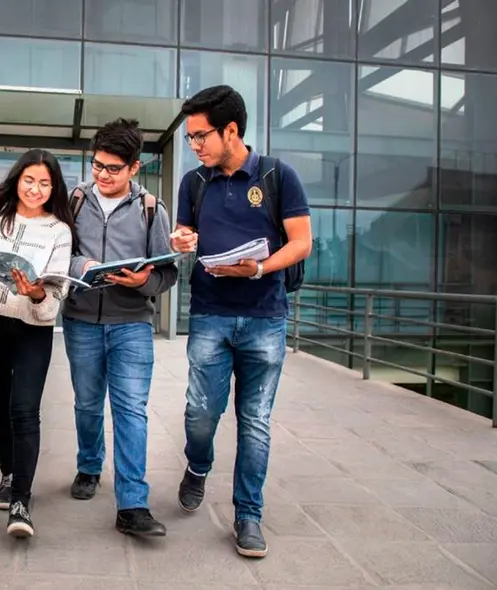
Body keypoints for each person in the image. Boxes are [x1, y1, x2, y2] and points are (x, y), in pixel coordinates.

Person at [169, 85, 312, 558]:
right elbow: (186, 234)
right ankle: (198, 463)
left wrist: (259, 267)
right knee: (200, 414)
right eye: (190, 139)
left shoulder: (276, 175)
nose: (195, 146)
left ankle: (248, 515)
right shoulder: (193, 182)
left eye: (200, 136)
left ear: (231, 130)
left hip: (264, 318)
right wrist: (182, 239)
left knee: (255, 421)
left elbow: (301, 243)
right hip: (209, 313)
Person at [62, 118, 179, 537]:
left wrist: (142, 281)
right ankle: (89, 466)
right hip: (81, 321)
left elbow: (168, 272)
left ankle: (132, 504)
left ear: (135, 167)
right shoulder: (74, 200)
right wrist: (83, 266)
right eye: (98, 166)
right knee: (87, 404)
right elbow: (60, 254)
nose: (103, 176)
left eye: (113, 168)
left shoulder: (152, 209)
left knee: (131, 410)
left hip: (132, 323)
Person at [0, 149, 77, 538]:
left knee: (24, 409)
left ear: (54, 188)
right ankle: (9, 473)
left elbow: (57, 290)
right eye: (29, 180)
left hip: (32, 328)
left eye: (45, 183)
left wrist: (34, 293)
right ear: (17, 179)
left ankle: (21, 500)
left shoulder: (59, 230)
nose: (36, 188)